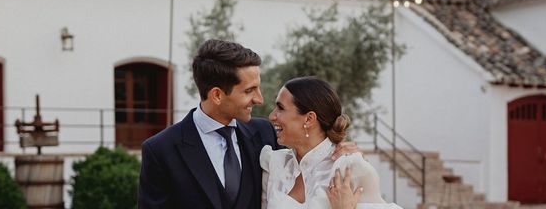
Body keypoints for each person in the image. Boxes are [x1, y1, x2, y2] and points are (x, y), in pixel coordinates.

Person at [138, 40, 356, 209]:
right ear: (216, 95)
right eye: (249, 90)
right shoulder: (161, 150)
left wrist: (338, 149)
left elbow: (309, 161)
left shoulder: (265, 134)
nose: (259, 99)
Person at [261, 76, 401, 209]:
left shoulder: (348, 169)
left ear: (309, 119)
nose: (272, 116)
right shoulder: (274, 164)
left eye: (280, 108)